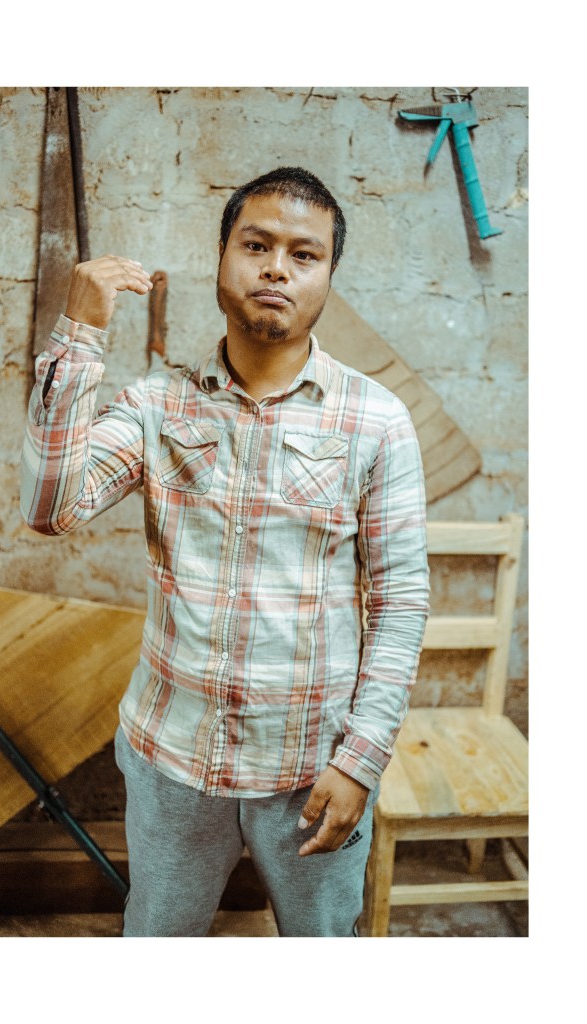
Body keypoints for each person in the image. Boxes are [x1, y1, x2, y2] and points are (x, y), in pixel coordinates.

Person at [21, 166, 430, 937]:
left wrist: (361, 760)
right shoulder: (157, 403)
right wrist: (79, 333)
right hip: (173, 760)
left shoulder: (376, 421)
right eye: (256, 245)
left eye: (304, 255)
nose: (277, 268)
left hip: (312, 767)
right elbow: (48, 509)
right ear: (221, 257)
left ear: (328, 275)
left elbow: (400, 601)